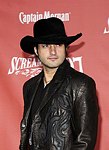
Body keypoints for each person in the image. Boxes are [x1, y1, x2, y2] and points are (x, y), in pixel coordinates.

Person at [19, 17, 99, 150]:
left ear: (66, 48)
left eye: (58, 45)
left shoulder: (81, 85)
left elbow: (85, 141)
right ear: (36, 50)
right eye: (45, 45)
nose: (53, 51)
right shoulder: (29, 87)